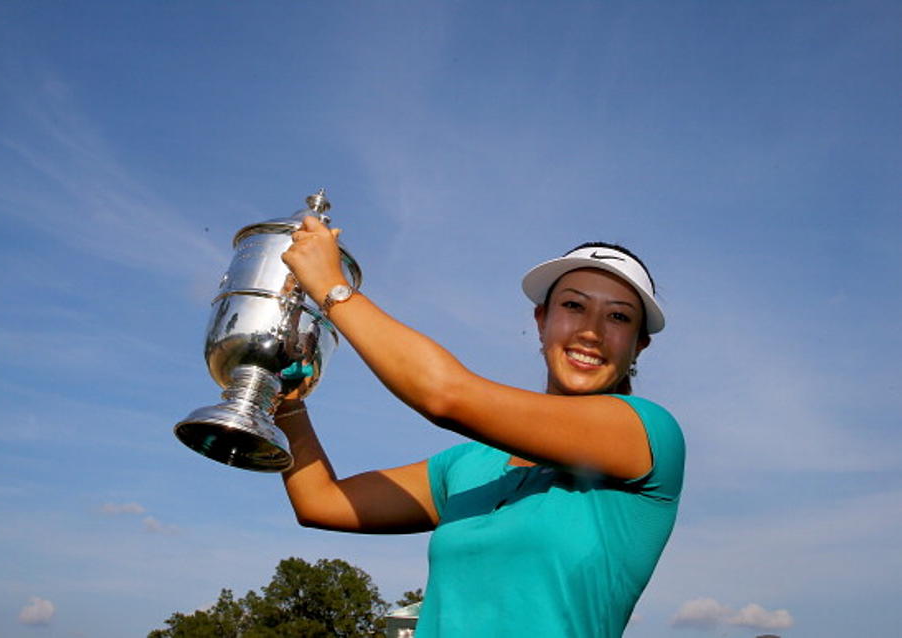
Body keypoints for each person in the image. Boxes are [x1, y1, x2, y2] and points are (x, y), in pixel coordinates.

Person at [277, 216, 685, 638]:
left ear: (639, 344)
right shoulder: (469, 464)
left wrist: (331, 287)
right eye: (573, 306)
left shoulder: (647, 434)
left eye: (618, 317)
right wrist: (286, 400)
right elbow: (320, 501)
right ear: (541, 320)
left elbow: (445, 395)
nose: (591, 331)